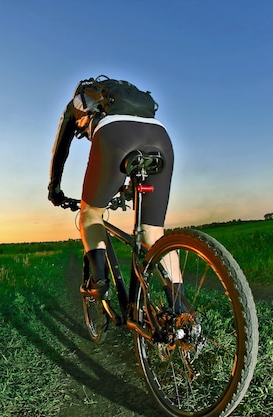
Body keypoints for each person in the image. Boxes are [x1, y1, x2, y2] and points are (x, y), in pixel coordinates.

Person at [48, 76, 182, 303]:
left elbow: (59, 149)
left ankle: (99, 282)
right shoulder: (129, 101)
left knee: (90, 214)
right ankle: (180, 311)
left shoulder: (76, 104)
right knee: (153, 232)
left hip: (115, 135)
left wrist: (55, 187)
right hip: (161, 138)